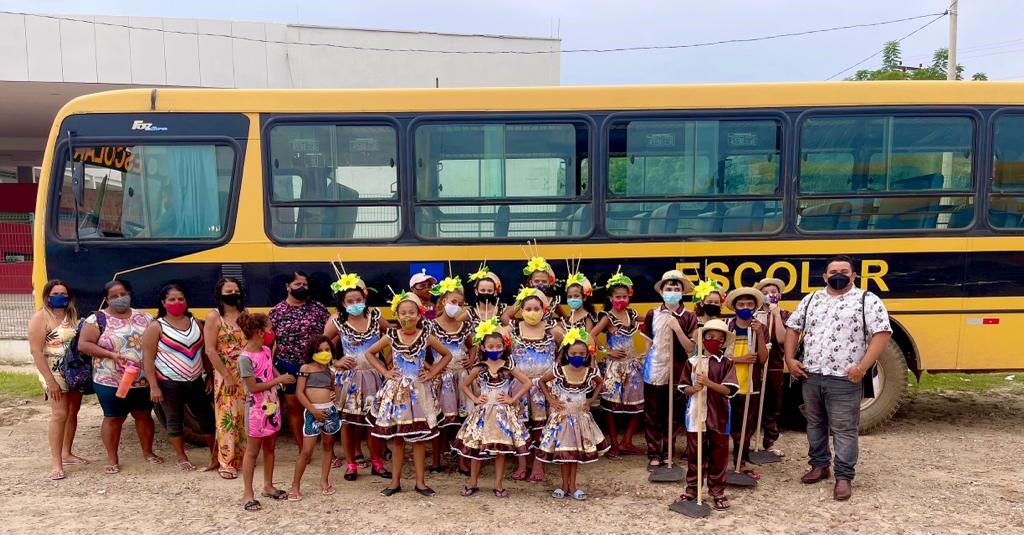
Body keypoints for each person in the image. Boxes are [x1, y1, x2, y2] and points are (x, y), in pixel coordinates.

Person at [785, 255, 892, 501]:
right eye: (833, 272)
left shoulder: (867, 300)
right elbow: (793, 327)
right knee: (815, 424)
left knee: (844, 428)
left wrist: (862, 367)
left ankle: (844, 477)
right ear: (825, 276)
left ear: (853, 275)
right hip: (812, 374)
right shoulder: (811, 299)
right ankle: (819, 465)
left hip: (845, 379)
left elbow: (882, 333)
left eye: (844, 271)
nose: (838, 275)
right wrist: (789, 359)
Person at [366, 292, 453, 497]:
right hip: (397, 393)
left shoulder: (426, 336)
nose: (407, 316)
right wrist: (385, 372)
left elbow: (447, 355)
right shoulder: (391, 335)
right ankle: (395, 482)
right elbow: (369, 353)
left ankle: (420, 483)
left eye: (411, 312)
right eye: (403, 313)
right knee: (398, 439)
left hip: (419, 392)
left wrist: (432, 373)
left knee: (419, 439)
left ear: (419, 315)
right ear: (397, 315)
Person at [77, 279, 164, 474]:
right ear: (106, 299)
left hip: (143, 379)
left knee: (143, 415)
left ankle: (148, 452)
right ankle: (112, 458)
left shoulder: (145, 318)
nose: (120, 298)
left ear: (130, 294)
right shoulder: (96, 319)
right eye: (114, 296)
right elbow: (84, 344)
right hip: (110, 380)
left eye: (123, 294)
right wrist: (111, 355)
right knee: (113, 418)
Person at [451, 318, 532, 497]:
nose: (495, 350)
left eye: (498, 346)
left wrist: (512, 399)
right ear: (482, 348)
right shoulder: (479, 367)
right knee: (476, 448)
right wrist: (475, 398)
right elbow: (464, 385)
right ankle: (473, 482)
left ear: (504, 347)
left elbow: (527, 382)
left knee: (500, 450)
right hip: (483, 413)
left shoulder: (508, 366)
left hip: (503, 415)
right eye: (491, 347)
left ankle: (498, 484)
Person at [142, 283, 217, 472]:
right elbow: (148, 359)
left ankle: (215, 455)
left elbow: (204, 352)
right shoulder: (156, 327)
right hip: (168, 382)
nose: (177, 302)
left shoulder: (196, 323)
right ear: (163, 303)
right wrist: (154, 386)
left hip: (196, 380)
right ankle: (181, 457)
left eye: (181, 299)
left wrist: (209, 375)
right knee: (174, 419)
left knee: (207, 418)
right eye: (172, 299)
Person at [324, 272, 390, 481]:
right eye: (350, 301)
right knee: (348, 424)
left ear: (364, 298)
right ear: (342, 303)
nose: (355, 304)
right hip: (349, 380)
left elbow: (395, 337)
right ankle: (351, 464)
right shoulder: (337, 322)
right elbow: (321, 346)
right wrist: (335, 362)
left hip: (375, 378)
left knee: (374, 421)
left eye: (358, 300)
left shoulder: (375, 317)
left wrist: (388, 363)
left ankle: (377, 462)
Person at [535, 328, 609, 501]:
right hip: (562, 420)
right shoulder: (560, 370)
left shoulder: (590, 372)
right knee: (565, 454)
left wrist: (590, 400)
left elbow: (600, 383)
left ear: (587, 355)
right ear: (567, 354)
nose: (578, 356)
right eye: (574, 353)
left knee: (574, 455)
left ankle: (573, 486)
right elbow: (542, 381)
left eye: (582, 354)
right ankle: (564, 485)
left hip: (580, 419)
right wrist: (551, 400)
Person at [676, 319, 739, 511]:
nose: (714, 341)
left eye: (719, 339)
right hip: (696, 415)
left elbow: (729, 390)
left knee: (719, 455)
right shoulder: (692, 362)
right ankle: (692, 489)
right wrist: (693, 388)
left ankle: (717, 491)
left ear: (723, 343)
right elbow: (683, 387)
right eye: (710, 337)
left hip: (720, 416)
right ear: (702, 339)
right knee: (695, 454)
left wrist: (709, 383)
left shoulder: (727, 363)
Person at [237, 312, 295, 511]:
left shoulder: (266, 350)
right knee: (252, 451)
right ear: (259, 332)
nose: (272, 332)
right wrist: (279, 380)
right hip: (256, 409)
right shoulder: (245, 358)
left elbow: (270, 369)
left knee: (270, 448)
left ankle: (268, 486)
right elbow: (253, 387)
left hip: (271, 406)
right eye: (270, 328)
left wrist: (280, 377)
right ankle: (248, 493)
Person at [28, 279, 86, 480]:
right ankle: (56, 463)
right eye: (55, 294)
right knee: (59, 414)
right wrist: (50, 381)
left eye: (63, 294)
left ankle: (67, 453)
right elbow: (36, 351)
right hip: (53, 371)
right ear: (47, 296)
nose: (60, 297)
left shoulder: (73, 315)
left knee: (72, 412)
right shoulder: (41, 317)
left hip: (74, 371)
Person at [641, 270, 697, 471]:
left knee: (673, 414)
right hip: (655, 370)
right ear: (662, 291)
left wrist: (677, 328)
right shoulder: (653, 314)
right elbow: (649, 343)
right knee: (653, 413)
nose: (672, 292)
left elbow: (690, 348)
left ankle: (668, 452)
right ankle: (654, 453)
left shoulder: (689, 316)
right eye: (669, 288)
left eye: (676, 289)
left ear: (682, 292)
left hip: (677, 371)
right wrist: (646, 363)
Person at [508, 287, 565, 482]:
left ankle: (539, 463)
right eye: (528, 309)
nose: (532, 312)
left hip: (544, 386)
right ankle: (522, 463)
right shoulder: (512, 330)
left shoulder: (553, 330)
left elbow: (570, 345)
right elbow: (493, 345)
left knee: (542, 426)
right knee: (520, 425)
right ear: (521, 310)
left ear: (544, 310)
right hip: (519, 385)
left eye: (536, 308)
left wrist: (558, 364)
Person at [269, 271, 330, 445]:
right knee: (295, 409)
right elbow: (267, 344)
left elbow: (330, 336)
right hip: (289, 368)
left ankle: (329, 451)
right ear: (288, 287)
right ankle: (303, 449)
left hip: (316, 367)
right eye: (297, 284)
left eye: (305, 284)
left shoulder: (318, 309)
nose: (301, 288)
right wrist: (275, 372)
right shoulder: (276, 312)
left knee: (322, 407)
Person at [590, 270, 646, 458]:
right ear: (610, 298)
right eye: (618, 297)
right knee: (610, 407)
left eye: (625, 296)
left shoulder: (631, 314)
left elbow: (650, 317)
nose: (621, 300)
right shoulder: (607, 317)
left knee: (639, 404)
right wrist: (607, 351)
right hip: (614, 368)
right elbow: (590, 336)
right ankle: (614, 444)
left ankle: (627, 441)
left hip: (632, 367)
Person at [427, 275, 474, 475]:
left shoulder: (464, 326)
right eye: (453, 302)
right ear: (444, 301)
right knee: (441, 420)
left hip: (462, 377)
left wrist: (471, 359)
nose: (456, 306)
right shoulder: (431, 326)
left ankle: (462, 460)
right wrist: (431, 368)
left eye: (460, 304)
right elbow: (419, 351)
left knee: (464, 419)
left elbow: (472, 346)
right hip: (442, 378)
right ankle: (436, 460)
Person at [203, 277, 248, 479]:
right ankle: (227, 462)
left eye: (235, 291)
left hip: (245, 373)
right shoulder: (214, 317)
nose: (233, 294)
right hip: (225, 373)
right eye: (228, 291)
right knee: (227, 418)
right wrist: (227, 377)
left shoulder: (244, 314)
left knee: (244, 417)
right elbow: (210, 350)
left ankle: (243, 457)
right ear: (220, 294)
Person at [287, 336, 341, 500]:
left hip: (329, 412)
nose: (324, 353)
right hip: (313, 413)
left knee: (328, 446)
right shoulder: (306, 368)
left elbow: (333, 390)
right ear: (312, 352)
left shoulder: (330, 371)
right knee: (306, 451)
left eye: (327, 350)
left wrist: (334, 394)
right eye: (320, 350)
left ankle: (324, 481)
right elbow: (299, 392)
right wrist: (312, 410)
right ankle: (295, 485)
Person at [723, 287, 769, 480]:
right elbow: (719, 357)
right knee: (725, 423)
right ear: (734, 307)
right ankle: (718, 460)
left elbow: (763, 358)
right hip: (727, 383)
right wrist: (740, 360)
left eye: (749, 305)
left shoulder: (760, 328)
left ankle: (740, 461)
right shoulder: (727, 327)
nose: (745, 308)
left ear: (755, 307)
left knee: (745, 427)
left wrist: (759, 335)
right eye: (741, 305)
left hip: (750, 385)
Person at [755, 277, 791, 456]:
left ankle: (769, 442)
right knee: (752, 404)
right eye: (765, 292)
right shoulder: (754, 315)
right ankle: (747, 442)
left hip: (774, 365)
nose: (770, 295)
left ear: (779, 295)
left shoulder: (784, 315)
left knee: (773, 405)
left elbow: (783, 338)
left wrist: (776, 315)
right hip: (755, 365)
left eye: (773, 292)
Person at [502, 256, 565, 324]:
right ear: (531, 282)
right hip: (527, 330)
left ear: (549, 282)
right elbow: (505, 317)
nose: (540, 284)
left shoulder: (553, 300)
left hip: (546, 330)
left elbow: (564, 317)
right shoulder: (524, 296)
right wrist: (518, 326)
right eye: (536, 281)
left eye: (544, 281)